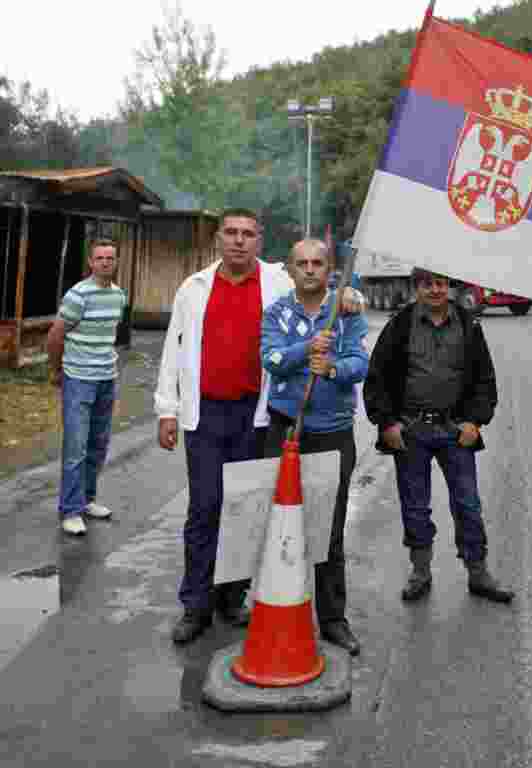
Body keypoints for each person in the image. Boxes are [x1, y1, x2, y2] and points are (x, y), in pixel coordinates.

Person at [154, 207, 364, 645]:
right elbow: (174, 348)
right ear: (218, 238)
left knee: (248, 511)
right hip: (206, 414)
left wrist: (351, 296)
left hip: (258, 416)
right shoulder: (193, 288)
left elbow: (321, 289)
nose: (238, 240)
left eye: (247, 234)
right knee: (205, 508)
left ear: (259, 240)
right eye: (231, 232)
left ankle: (231, 598)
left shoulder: (277, 282)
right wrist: (166, 409)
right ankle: (196, 606)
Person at [363, 268, 514, 604]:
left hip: (455, 432)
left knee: (468, 504)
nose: (435, 290)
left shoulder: (469, 325)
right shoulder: (400, 325)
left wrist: (474, 422)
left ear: (449, 287)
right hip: (411, 432)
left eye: (441, 284)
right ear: (417, 288)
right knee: (415, 507)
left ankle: (478, 572)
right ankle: (420, 572)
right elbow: (377, 379)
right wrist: (387, 424)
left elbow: (485, 380)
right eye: (428, 284)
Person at [261, 239, 369, 656]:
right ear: (290, 269)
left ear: (329, 269)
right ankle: (273, 610)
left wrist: (334, 369)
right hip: (285, 430)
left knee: (329, 529)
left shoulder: (347, 311)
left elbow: (359, 363)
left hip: (333, 434)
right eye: (302, 263)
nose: (309, 269)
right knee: (277, 524)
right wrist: (306, 349)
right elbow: (271, 360)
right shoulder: (276, 312)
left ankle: (333, 619)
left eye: (317, 263)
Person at [46, 239, 127, 536]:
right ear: (91, 262)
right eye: (100, 258)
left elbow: (110, 335)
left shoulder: (119, 296)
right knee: (76, 447)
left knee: (98, 443)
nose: (105, 262)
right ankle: (70, 510)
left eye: (110, 258)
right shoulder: (78, 295)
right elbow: (55, 336)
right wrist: (56, 370)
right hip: (78, 378)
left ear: (116, 262)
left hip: (106, 377)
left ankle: (87, 499)